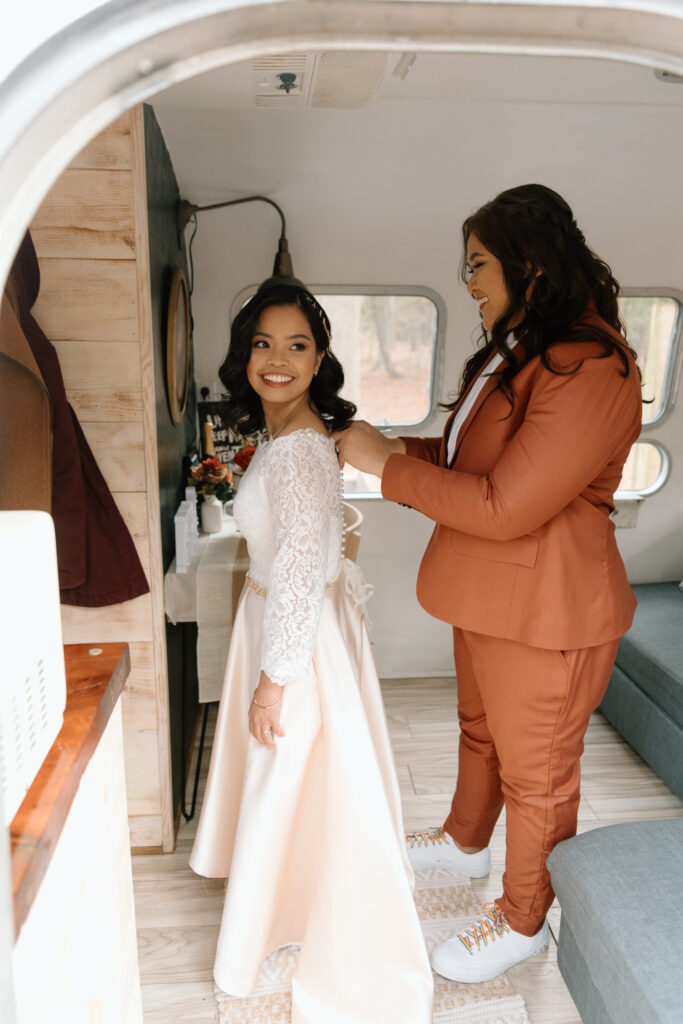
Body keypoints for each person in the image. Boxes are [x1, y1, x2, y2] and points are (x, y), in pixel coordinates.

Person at [334, 184, 643, 985]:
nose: (468, 281)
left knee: (536, 773)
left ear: (529, 263)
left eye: (477, 264)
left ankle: (522, 918)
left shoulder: (589, 365)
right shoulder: (524, 350)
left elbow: (507, 505)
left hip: (550, 609)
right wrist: (386, 448)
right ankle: (466, 841)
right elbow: (478, 464)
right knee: (479, 729)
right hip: (490, 594)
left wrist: (386, 469)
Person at [189, 282, 433, 1022]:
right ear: (244, 354)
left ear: (319, 358)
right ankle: (282, 904)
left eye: (296, 346)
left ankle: (269, 924)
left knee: (284, 767)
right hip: (286, 621)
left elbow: (299, 568)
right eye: (263, 343)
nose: (277, 360)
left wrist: (273, 678)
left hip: (291, 634)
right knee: (295, 778)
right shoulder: (289, 438)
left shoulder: (298, 452)